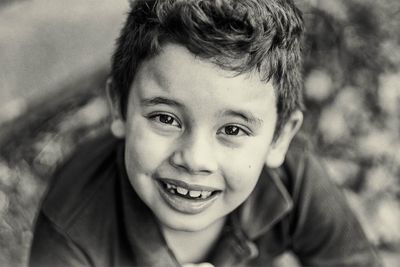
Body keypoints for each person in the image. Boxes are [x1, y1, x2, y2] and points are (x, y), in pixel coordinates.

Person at [29, 0, 382, 266]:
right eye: (166, 118)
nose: (195, 159)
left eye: (232, 129)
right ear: (120, 107)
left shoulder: (292, 176)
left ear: (279, 138)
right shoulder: (70, 230)